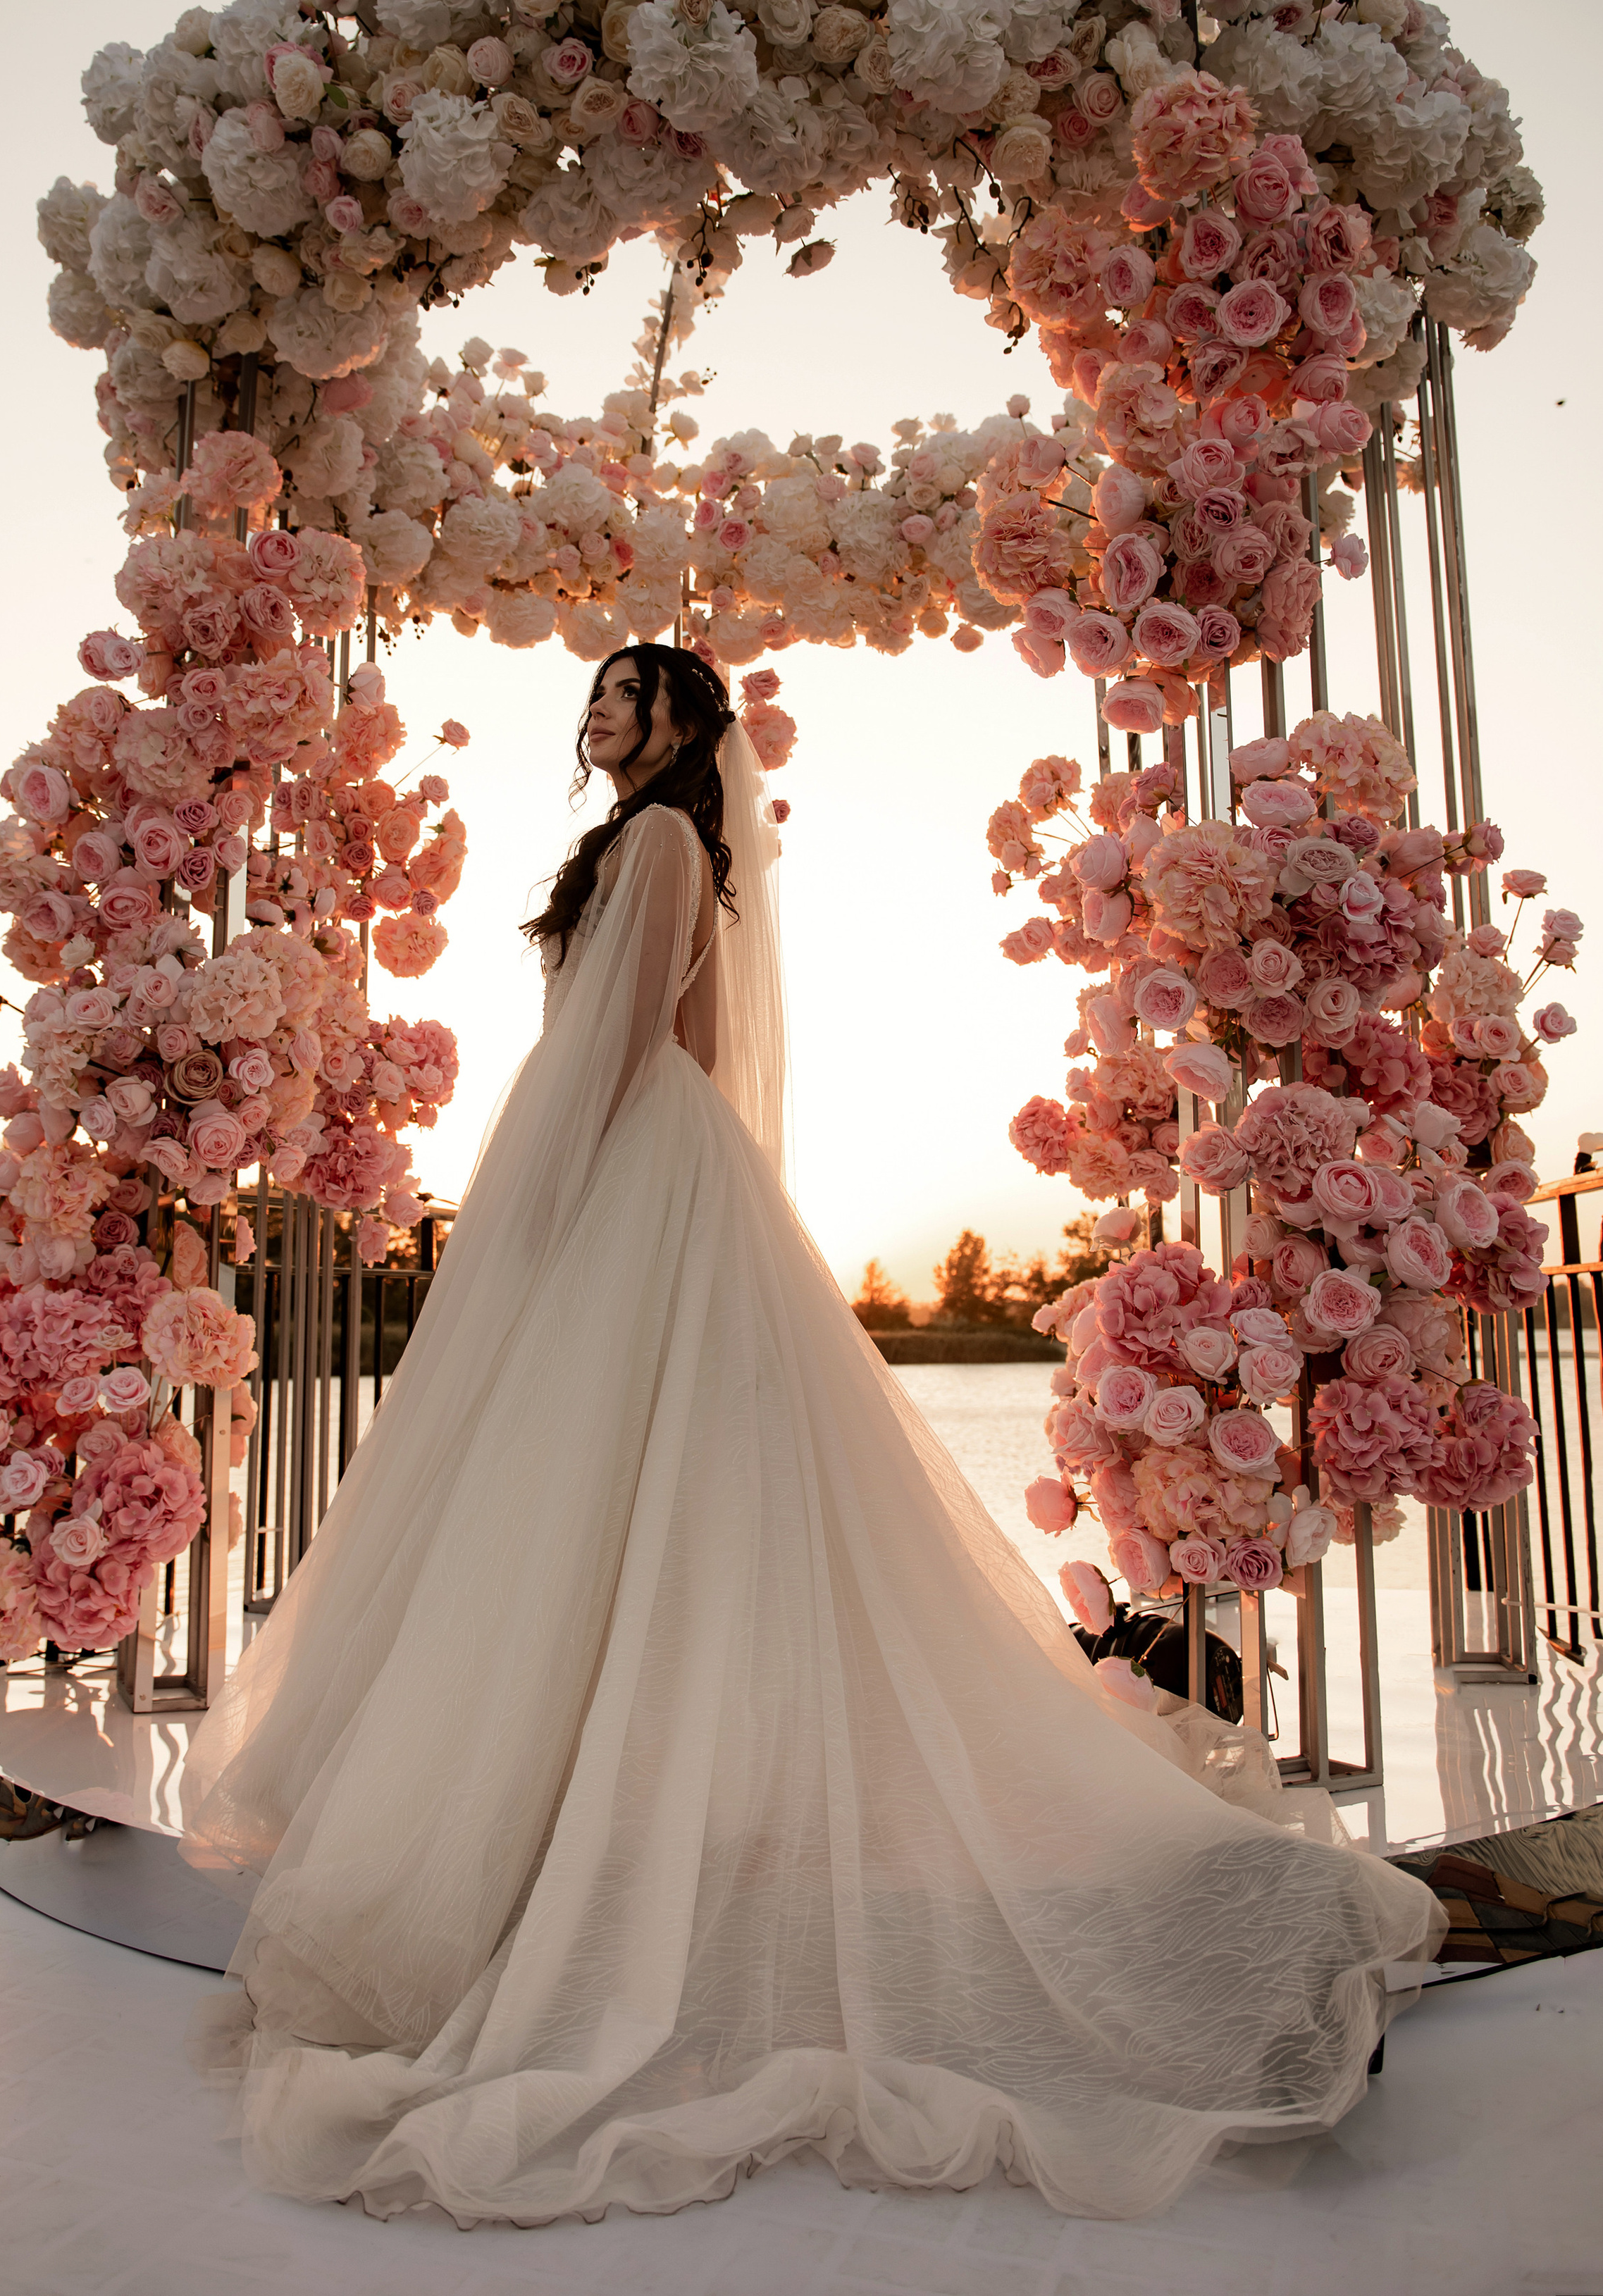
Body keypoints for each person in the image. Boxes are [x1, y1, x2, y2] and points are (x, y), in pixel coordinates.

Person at [182, 643, 1442, 2228]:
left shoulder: (658, 838)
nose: (596, 715)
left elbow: (633, 1048)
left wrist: (548, 1207)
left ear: (680, 722)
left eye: (622, 694)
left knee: (589, 1492)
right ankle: (593, 1809)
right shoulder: (659, 842)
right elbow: (694, 1047)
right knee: (615, 1499)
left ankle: (586, 1834)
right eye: (593, 697)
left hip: (627, 1166)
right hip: (654, 1163)